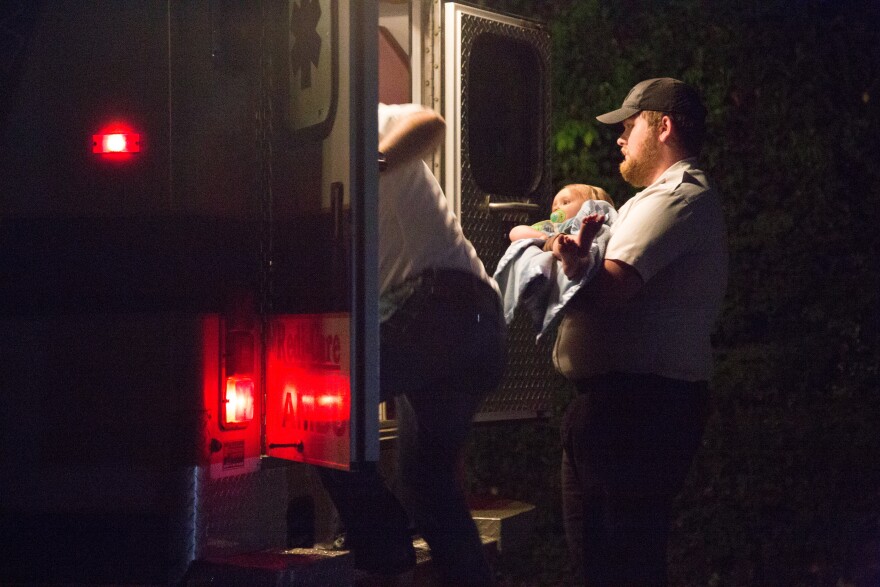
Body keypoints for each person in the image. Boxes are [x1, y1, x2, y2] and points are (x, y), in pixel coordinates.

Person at [318, 103, 506, 586]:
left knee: (321, 403)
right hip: (473, 323)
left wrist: (371, 163)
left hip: (440, 304)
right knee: (429, 490)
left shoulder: (356, 119)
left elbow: (431, 123)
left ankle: (382, 551)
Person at [552, 78, 728, 585]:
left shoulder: (678, 197)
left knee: (620, 567)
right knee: (601, 564)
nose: (619, 139)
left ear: (663, 127)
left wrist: (570, 265)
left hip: (638, 414)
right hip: (618, 409)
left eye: (629, 127)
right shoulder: (647, 201)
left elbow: (611, 288)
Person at [509, 184, 613, 280]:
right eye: (554, 205)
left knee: (564, 242)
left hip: (570, 240)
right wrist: (540, 235)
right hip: (548, 239)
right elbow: (516, 234)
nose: (557, 207)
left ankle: (571, 261)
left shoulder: (585, 221)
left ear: (585, 208)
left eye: (565, 202)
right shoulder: (549, 225)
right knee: (515, 231)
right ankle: (578, 248)